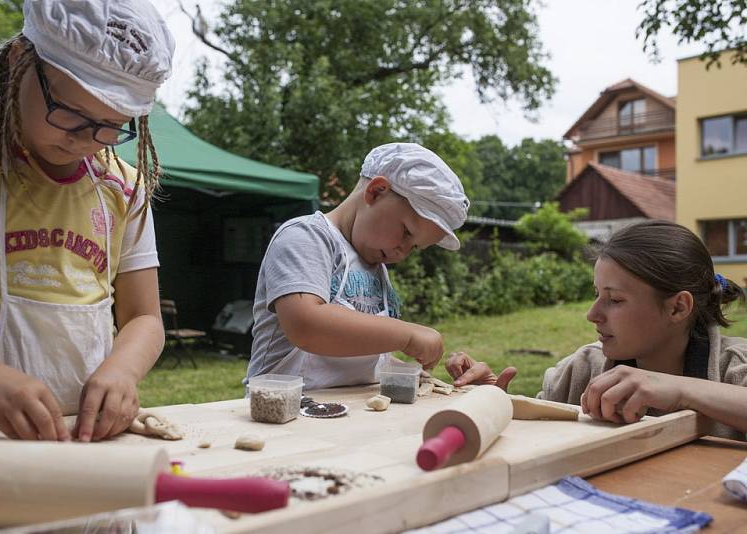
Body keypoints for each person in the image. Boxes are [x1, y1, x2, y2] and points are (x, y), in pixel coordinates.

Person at [0, 0, 175, 441]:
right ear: (18, 63)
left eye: (110, 125)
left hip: (78, 438)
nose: (84, 140)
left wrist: (124, 370)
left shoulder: (122, 188)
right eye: (69, 112)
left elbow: (144, 318)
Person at [446, 220, 747, 440]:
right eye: (596, 294)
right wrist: (496, 402)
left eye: (615, 299)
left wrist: (679, 389)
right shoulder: (579, 373)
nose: (592, 315)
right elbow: (535, 439)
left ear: (678, 308)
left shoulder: (736, 370)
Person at [244, 142, 470, 390]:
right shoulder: (306, 236)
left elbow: (361, 360)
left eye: (414, 247)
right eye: (406, 232)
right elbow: (305, 326)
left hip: (350, 413)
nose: (403, 252)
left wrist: (417, 373)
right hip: (284, 411)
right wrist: (406, 334)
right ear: (376, 191)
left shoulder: (374, 263)